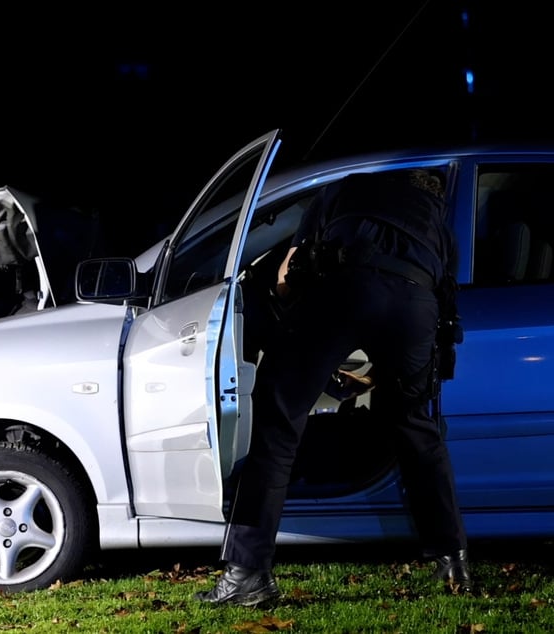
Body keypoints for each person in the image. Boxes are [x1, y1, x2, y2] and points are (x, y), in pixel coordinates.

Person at [195, 168, 470, 607]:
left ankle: (247, 574)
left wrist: (293, 333)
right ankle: (453, 561)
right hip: (416, 308)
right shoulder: (440, 227)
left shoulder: (347, 188)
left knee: (278, 424)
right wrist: (376, 374)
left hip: (342, 289)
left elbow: (288, 272)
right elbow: (428, 307)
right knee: (417, 428)